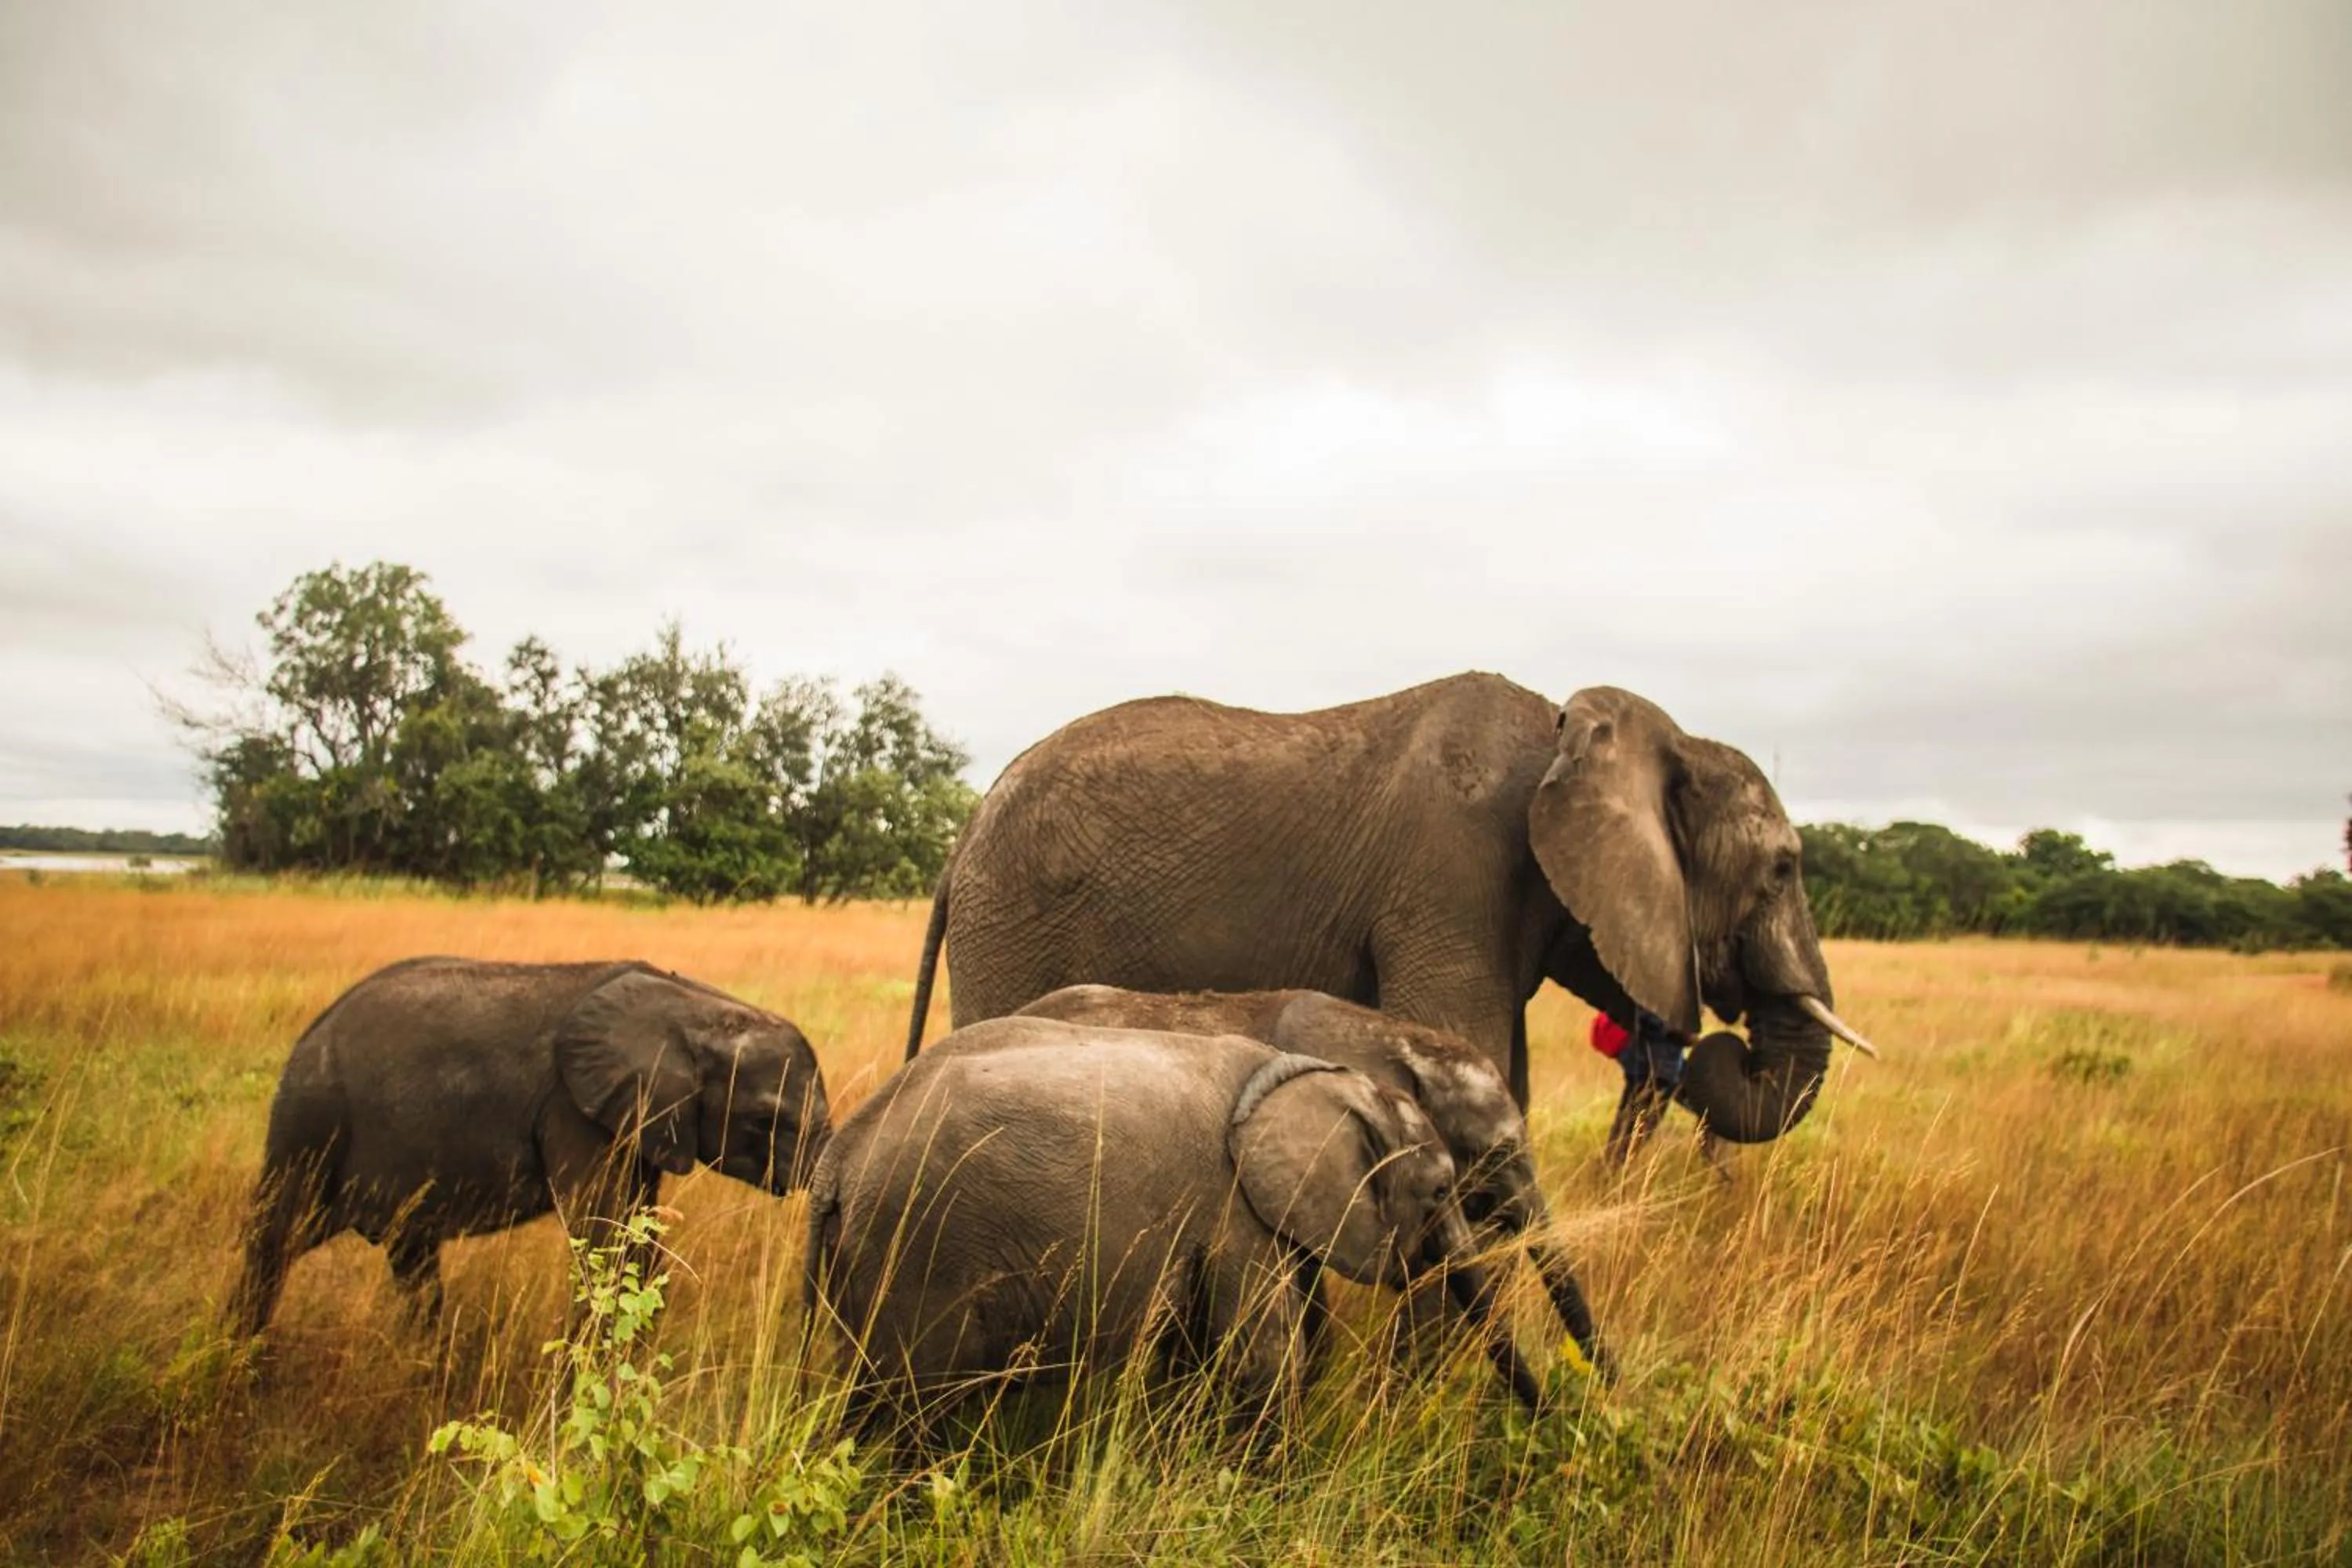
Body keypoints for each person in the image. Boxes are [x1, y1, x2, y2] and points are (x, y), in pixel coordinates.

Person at [1590, 1007, 1722, 1173]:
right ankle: (1608, 1172)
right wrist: (1688, 1033)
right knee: (1639, 1122)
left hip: (1646, 1060)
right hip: (1657, 1067)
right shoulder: (1665, 992)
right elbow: (1663, 1023)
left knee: (1632, 1114)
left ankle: (1607, 1168)